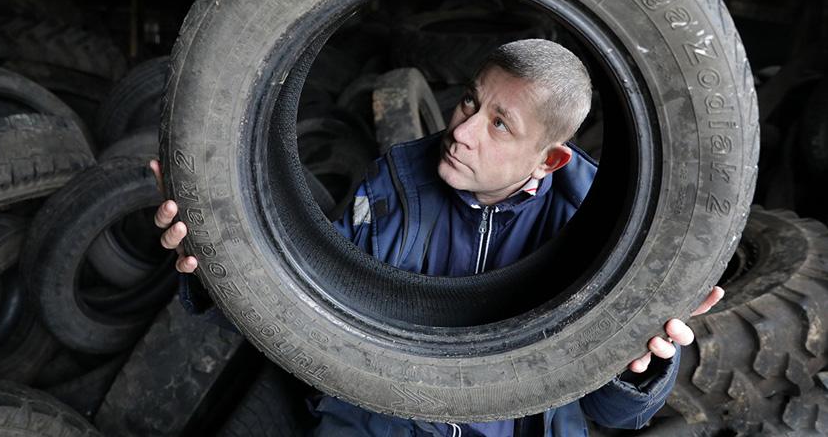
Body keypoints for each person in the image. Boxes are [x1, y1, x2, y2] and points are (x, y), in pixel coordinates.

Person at [151, 39, 724, 437]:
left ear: (548, 159)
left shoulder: (604, 234)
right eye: (472, 100)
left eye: (500, 124)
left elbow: (619, 416)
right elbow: (301, 318)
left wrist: (638, 365)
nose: (463, 128)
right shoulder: (396, 185)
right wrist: (213, 263)